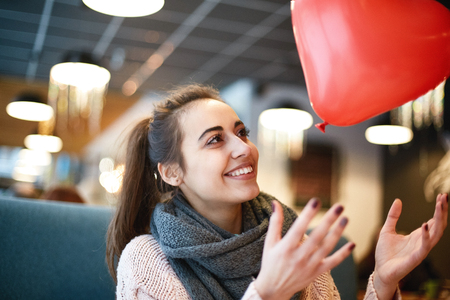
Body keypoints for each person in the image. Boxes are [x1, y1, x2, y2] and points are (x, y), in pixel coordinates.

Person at [106, 84, 448, 300]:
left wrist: (383, 282)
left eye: (242, 132)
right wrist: (267, 294)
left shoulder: (289, 239)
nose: (243, 148)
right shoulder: (148, 261)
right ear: (172, 172)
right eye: (215, 140)